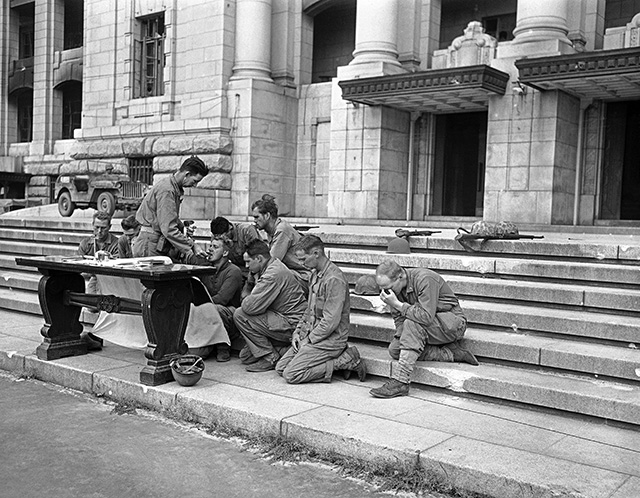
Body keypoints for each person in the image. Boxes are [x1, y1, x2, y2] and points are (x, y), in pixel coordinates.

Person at [369, 260, 478, 399]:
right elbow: (399, 321)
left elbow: (425, 317)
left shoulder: (425, 279)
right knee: (396, 349)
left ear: (400, 277)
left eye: (387, 287)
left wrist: (397, 304)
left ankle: (401, 381)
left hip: (452, 325)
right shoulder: (394, 290)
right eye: (381, 288)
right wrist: (405, 337)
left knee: (412, 323)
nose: (384, 292)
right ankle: (450, 353)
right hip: (428, 327)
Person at [276, 235, 366, 384]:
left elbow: (330, 322)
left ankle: (345, 360)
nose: (300, 263)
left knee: (291, 375)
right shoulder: (314, 274)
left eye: (303, 259)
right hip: (314, 334)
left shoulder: (334, 279)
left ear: (316, 253)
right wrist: (298, 332)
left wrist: (309, 340)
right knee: (281, 368)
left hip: (331, 339)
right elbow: (308, 310)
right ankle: (336, 360)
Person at [233, 239, 307, 372]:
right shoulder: (270, 266)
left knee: (240, 315)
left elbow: (248, 307)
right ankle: (283, 350)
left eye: (248, 261)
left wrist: (249, 290)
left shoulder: (272, 274)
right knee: (245, 357)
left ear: (259, 259)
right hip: (282, 318)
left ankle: (270, 357)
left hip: (292, 323)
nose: (246, 266)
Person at [132, 155, 208, 261]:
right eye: (195, 181)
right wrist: (192, 245)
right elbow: (168, 228)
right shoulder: (167, 191)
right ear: (187, 174)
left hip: (152, 243)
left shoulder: (171, 187)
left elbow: (170, 219)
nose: (194, 185)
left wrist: (182, 229)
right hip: (150, 245)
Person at [186, 237, 243, 362]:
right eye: (210, 246)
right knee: (196, 354)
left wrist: (200, 307)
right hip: (207, 312)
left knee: (215, 309)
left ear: (225, 253)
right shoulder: (207, 267)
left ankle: (223, 346)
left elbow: (222, 299)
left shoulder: (233, 271)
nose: (210, 250)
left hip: (229, 314)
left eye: (215, 247)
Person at [76, 210, 120, 350]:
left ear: (110, 227)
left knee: (106, 303)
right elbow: (78, 263)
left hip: (111, 280)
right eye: (97, 227)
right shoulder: (86, 243)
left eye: (103, 228)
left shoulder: (116, 243)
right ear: (92, 226)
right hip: (94, 276)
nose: (99, 231)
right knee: (91, 306)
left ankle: (98, 335)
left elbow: (119, 265)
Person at [250, 194, 308, 278]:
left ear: (267, 216)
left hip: (303, 275)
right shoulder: (271, 231)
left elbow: (271, 263)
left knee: (272, 274)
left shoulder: (282, 230)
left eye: (256, 217)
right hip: (292, 272)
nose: (254, 221)